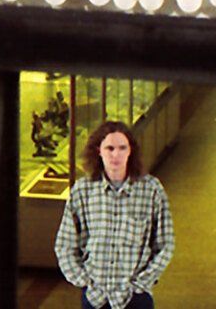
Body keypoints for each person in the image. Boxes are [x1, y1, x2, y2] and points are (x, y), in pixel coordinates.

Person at [54, 119, 175, 309]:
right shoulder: (82, 191)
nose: (115, 154)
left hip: (135, 298)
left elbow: (165, 244)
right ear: (98, 151)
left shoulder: (151, 190)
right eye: (109, 148)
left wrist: (141, 283)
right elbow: (65, 244)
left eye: (122, 148)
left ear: (131, 151)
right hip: (96, 298)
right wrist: (84, 282)